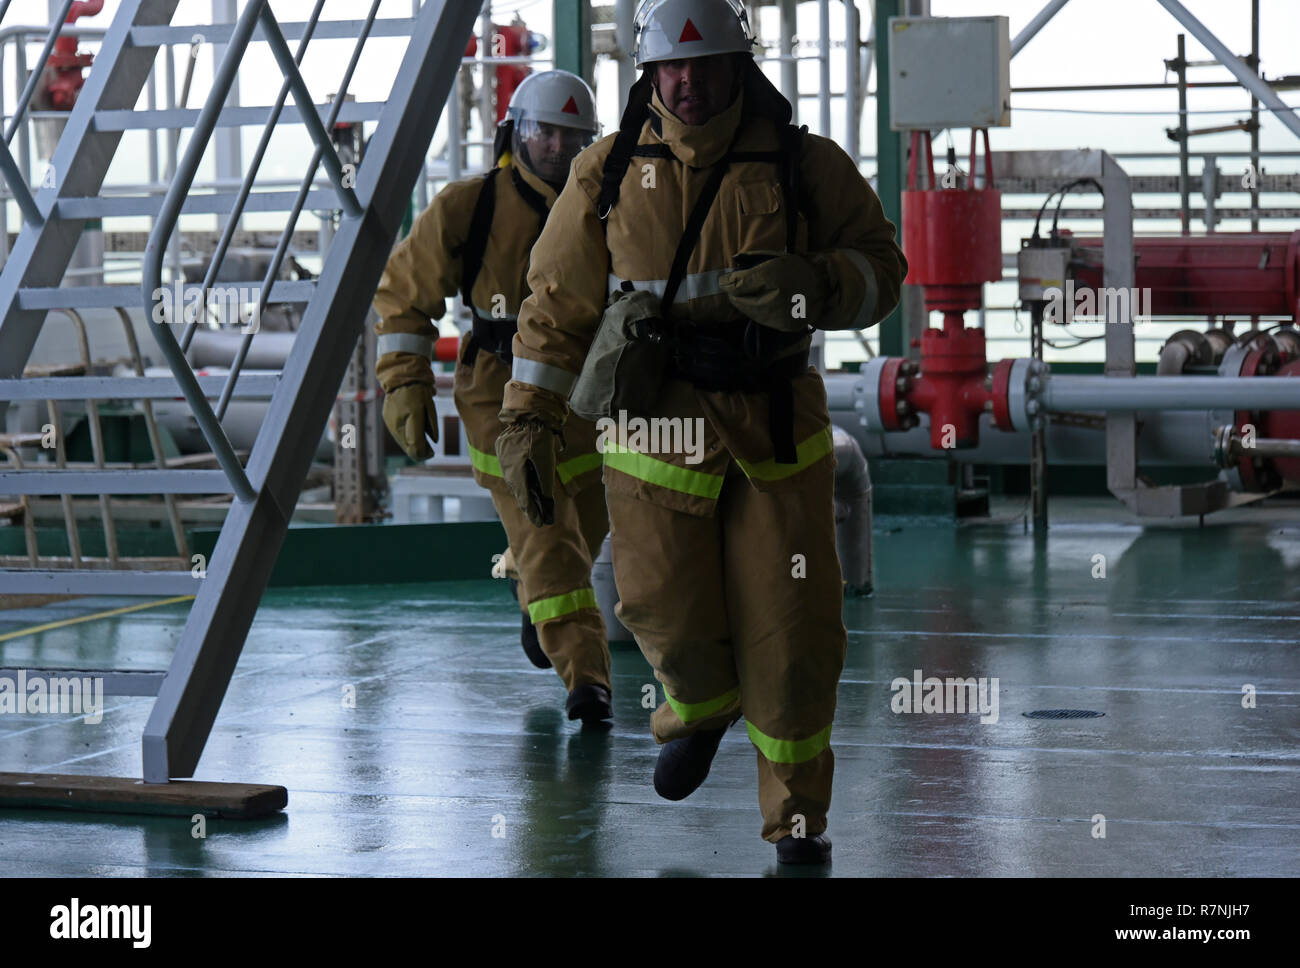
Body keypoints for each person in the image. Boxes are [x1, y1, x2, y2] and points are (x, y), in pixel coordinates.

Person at [495, 0, 908, 863]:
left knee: (794, 637)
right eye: (672, 69)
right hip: (655, 434)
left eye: (707, 65)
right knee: (659, 612)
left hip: (775, 440)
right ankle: (699, 703)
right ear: (649, 74)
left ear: (740, 70)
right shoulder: (605, 176)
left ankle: (797, 824)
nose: (689, 82)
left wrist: (817, 282)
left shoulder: (805, 167)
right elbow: (556, 306)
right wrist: (527, 418)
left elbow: (882, 273)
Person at [373, 70, 615, 726]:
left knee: (579, 531)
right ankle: (587, 678)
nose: (558, 148)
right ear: (515, 131)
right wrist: (403, 379)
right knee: (546, 533)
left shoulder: (611, 206)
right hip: (497, 395)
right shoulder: (468, 206)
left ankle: (538, 601)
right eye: (546, 132)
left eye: (574, 137)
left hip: (587, 396)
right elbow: (404, 294)